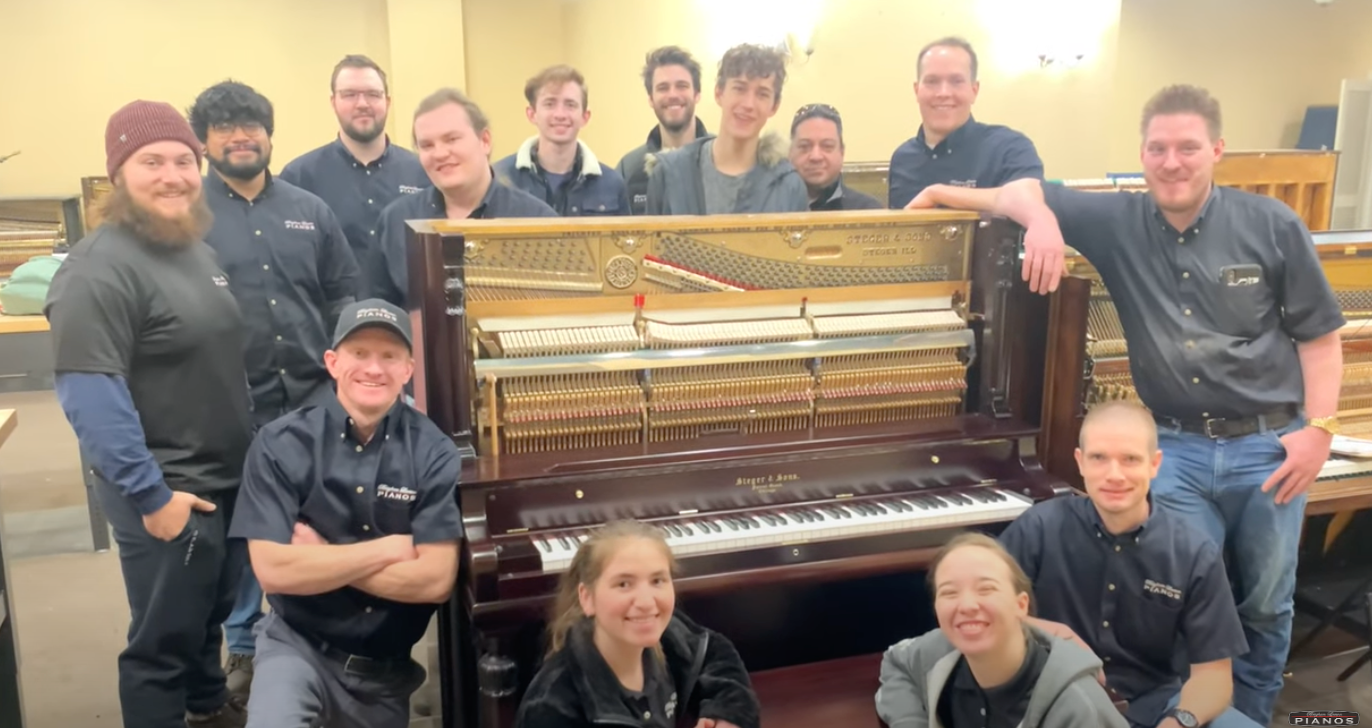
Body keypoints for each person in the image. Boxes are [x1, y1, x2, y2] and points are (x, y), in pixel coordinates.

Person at [912, 84, 1347, 724]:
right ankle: (1184, 710)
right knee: (1180, 601)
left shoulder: (1271, 224)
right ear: (1142, 154)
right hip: (1177, 453)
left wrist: (1320, 431)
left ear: (1217, 150)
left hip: (1268, 445)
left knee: (1264, 600)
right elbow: (1019, 192)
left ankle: (1249, 715)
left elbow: (1320, 337)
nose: (1172, 162)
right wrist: (954, 199)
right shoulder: (1117, 220)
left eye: (1188, 148)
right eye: (1158, 148)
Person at [45, 100, 253, 728]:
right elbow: (90, 396)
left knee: (206, 617)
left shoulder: (193, 249)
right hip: (163, 489)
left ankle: (207, 707)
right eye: (151, 161)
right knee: (161, 642)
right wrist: (151, 496)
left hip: (222, 479)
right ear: (118, 175)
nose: (173, 175)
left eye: (184, 160)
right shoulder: (96, 270)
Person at [188, 79, 360, 700]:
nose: (240, 136)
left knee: (323, 521)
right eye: (225, 128)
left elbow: (344, 292)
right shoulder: (188, 216)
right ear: (205, 142)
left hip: (314, 401)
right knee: (242, 533)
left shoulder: (308, 209)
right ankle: (241, 647)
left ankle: (321, 638)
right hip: (232, 408)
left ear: (268, 133)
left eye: (251, 125)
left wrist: (349, 371)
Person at [228, 298, 463, 728]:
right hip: (296, 648)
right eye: (360, 354)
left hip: (383, 673)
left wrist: (321, 554)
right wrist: (391, 548)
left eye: (389, 356)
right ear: (333, 362)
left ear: (408, 370)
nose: (374, 369)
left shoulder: (434, 452)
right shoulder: (280, 443)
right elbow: (275, 571)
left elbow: (435, 581)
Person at [998, 401, 1260, 728]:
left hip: (1154, 705)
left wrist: (1180, 721)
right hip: (1055, 699)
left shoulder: (1194, 551)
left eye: (1130, 459)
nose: (1114, 475)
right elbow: (984, 609)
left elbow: (1215, 678)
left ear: (1154, 464)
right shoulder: (1039, 527)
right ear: (1080, 462)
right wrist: (1052, 632)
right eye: (1099, 458)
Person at [514, 520, 761, 728]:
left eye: (657, 580)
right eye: (624, 584)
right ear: (587, 598)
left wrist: (727, 715)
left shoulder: (668, 634)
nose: (645, 602)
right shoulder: (551, 706)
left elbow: (716, 654)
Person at [876, 532, 1127, 728]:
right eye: (949, 593)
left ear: (1021, 605)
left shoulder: (1078, 709)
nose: (967, 605)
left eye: (986, 589)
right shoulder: (942, 649)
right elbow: (896, 662)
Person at [370, 88, 555, 307]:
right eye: (427, 145)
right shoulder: (396, 221)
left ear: (484, 140)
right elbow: (378, 312)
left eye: (451, 139)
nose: (439, 153)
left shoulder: (537, 221)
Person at [279, 55, 429, 298]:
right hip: (333, 326)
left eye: (372, 94)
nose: (362, 104)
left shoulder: (424, 172)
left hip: (410, 321)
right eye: (349, 94)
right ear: (333, 102)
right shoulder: (299, 177)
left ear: (387, 102)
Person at [645, 43, 807, 215]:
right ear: (719, 93)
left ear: (774, 106)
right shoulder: (669, 175)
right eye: (739, 88)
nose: (748, 104)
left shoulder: (789, 186)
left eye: (762, 94)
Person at [887, 37, 1043, 209]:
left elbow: (1032, 198)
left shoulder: (1008, 147)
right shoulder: (902, 159)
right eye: (932, 81)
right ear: (917, 91)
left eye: (956, 81)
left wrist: (937, 194)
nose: (943, 92)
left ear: (974, 91)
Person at [492, 65, 630, 216]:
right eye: (550, 104)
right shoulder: (500, 179)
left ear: (585, 117)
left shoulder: (612, 184)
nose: (560, 114)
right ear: (532, 114)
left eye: (570, 105)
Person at [616, 46, 710, 214]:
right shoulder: (629, 169)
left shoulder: (721, 160)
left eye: (681, 86)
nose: (672, 95)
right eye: (663, 88)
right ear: (651, 98)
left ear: (697, 94)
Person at [788, 103, 882, 211]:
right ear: (790, 152)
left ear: (842, 152)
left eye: (827, 146)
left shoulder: (868, 211)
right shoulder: (770, 207)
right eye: (805, 146)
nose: (815, 157)